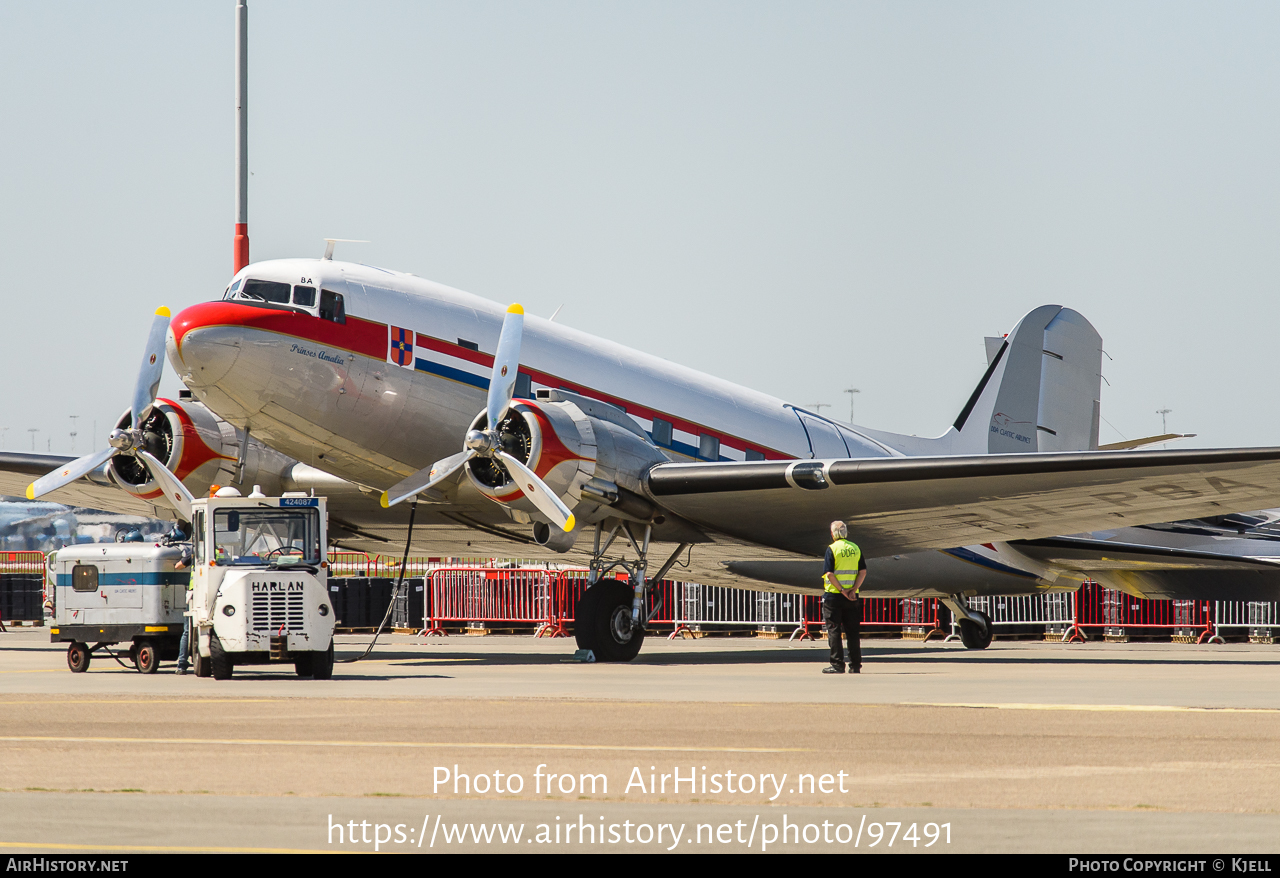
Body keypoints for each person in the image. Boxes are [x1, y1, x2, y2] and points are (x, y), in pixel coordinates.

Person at [822, 520, 866, 674]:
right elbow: (863, 572)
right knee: (852, 632)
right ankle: (855, 665)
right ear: (846, 533)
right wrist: (853, 589)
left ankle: (837, 664)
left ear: (832, 534)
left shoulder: (832, 549)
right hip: (852, 597)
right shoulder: (855, 548)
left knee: (834, 630)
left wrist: (842, 590)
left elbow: (829, 573)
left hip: (834, 596)